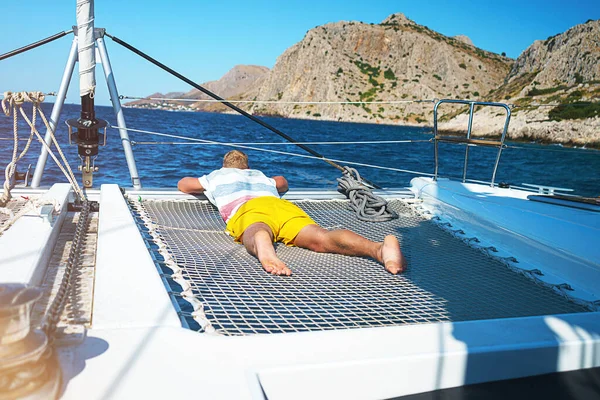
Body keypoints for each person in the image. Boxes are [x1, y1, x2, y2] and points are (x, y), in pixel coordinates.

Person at [177, 150, 406, 276]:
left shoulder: (217, 175)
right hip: (279, 206)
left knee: (256, 228)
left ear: (225, 166)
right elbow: (282, 182)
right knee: (321, 237)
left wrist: (208, 183)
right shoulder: (259, 176)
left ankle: (262, 243)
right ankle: (377, 248)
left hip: (246, 208)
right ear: (247, 166)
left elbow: (184, 185)